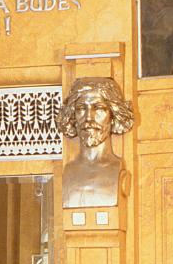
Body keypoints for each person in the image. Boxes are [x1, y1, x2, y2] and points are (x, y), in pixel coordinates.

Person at [58, 76, 135, 208]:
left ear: (113, 115)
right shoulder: (68, 171)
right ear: (73, 116)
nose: (89, 117)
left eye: (98, 108)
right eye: (81, 109)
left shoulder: (116, 168)